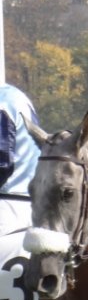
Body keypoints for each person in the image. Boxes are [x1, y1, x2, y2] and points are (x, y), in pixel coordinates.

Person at [0, 83, 40, 236]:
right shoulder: (13, 95)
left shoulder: (3, 102)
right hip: (27, 206)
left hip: (7, 209)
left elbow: (2, 164)